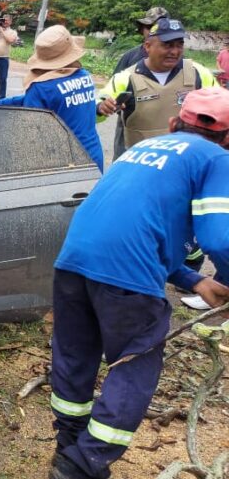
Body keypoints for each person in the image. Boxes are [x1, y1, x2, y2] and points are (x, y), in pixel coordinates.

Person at [48, 86, 229, 479]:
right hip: (127, 277)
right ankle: (83, 464)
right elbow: (219, 238)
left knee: (74, 355)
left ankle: (68, 445)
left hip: (74, 261)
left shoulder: (143, 150)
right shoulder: (217, 158)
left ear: (173, 123)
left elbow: (136, 228)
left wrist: (195, 281)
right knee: (135, 365)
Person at [0, 25, 103, 171]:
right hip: (93, 157)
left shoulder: (41, 88)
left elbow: (31, 134)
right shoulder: (85, 76)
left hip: (65, 164)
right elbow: (50, 98)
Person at [97, 18, 218, 154]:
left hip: (186, 162)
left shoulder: (198, 72)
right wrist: (101, 107)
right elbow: (97, 109)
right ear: (147, 46)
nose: (175, 51)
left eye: (179, 45)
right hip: (143, 164)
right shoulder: (127, 78)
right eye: (167, 45)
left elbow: (221, 105)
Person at [112, 6, 168, 74]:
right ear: (142, 29)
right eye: (150, 27)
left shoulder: (175, 59)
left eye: (160, 27)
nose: (154, 31)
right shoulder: (129, 57)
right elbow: (115, 83)